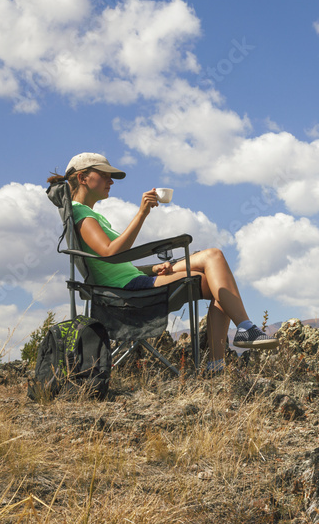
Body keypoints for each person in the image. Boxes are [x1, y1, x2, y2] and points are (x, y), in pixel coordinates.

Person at [47, 152, 278, 373]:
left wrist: (153, 268)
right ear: (82, 178)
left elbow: (110, 265)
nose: (111, 181)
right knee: (215, 282)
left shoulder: (84, 214)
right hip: (128, 291)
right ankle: (229, 348)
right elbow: (110, 253)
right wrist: (142, 214)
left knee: (213, 258)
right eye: (104, 175)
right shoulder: (83, 216)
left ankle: (237, 339)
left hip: (134, 280)